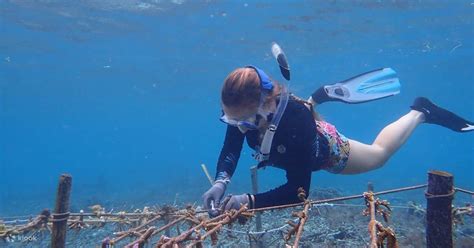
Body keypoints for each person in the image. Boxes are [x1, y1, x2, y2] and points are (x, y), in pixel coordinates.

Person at [202, 65, 473, 215]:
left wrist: (250, 200)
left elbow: (299, 191)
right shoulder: (243, 112)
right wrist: (221, 180)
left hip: (327, 150)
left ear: (268, 105)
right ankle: (317, 99)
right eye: (233, 121)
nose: (241, 129)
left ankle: (420, 112)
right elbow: (231, 146)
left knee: (378, 155)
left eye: (247, 122)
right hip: (296, 140)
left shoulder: (295, 122)